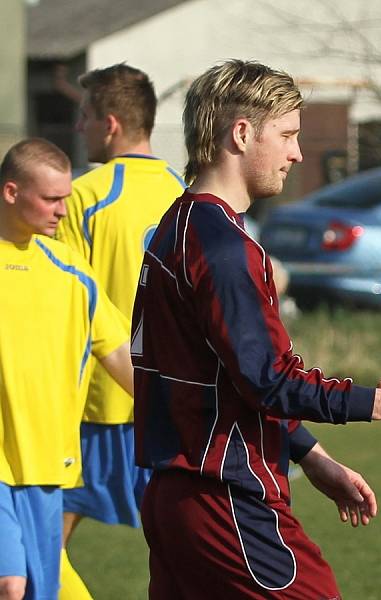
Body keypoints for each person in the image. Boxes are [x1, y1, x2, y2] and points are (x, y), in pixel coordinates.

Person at [131, 59, 381, 600]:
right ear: (241, 133)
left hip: (176, 496)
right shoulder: (227, 248)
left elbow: (227, 380)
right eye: (286, 134)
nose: (297, 153)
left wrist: (310, 455)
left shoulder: (178, 226)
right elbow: (268, 380)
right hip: (227, 499)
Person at [53, 63, 186, 599]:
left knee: (40, 542)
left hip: (97, 406)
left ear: (109, 124)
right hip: (170, 407)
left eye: (84, 116)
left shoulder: (84, 195)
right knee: (187, 548)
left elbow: (59, 300)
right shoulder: (187, 193)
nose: (79, 127)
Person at [0, 138, 132, 600]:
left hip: (46, 468)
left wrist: (194, 405)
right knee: (10, 585)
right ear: (11, 192)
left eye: (66, 199)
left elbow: (123, 360)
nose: (61, 211)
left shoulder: (72, 273)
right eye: (51, 199)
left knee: (41, 590)